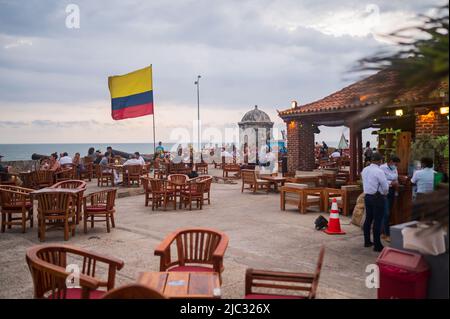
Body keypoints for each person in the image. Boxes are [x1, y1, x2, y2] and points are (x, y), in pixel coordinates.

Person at [361, 152, 389, 252]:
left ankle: (367, 241)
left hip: (367, 196)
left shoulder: (365, 170)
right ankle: (377, 245)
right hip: (377, 197)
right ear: (379, 160)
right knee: (377, 220)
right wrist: (385, 193)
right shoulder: (379, 171)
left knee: (368, 218)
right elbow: (385, 186)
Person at [380, 155, 401, 242]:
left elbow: (396, 178)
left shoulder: (394, 168)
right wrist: (391, 183)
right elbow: (382, 180)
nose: (396, 166)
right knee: (386, 213)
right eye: (395, 164)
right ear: (391, 161)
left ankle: (383, 232)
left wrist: (396, 183)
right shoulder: (382, 168)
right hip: (384, 191)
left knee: (388, 213)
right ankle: (386, 234)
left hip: (392, 191)